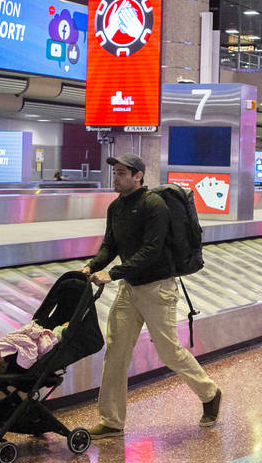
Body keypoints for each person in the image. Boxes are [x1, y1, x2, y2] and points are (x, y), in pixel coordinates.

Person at [83, 154, 221, 438]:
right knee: (116, 352)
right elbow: (110, 245)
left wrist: (115, 273)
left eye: (122, 173)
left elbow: (153, 249)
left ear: (138, 176)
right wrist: (92, 266)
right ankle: (111, 420)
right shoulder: (116, 208)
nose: (116, 177)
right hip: (129, 289)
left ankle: (210, 393)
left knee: (169, 351)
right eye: (115, 173)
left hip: (158, 288)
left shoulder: (153, 205)